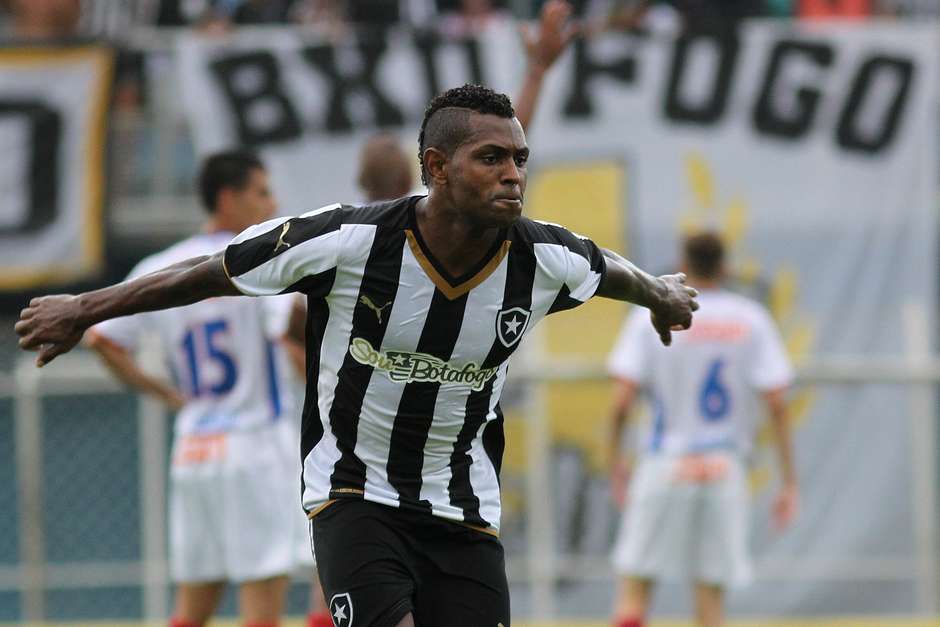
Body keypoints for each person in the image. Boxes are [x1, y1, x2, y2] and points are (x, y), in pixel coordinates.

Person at [16, 83, 698, 626]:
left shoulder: (543, 256)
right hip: (354, 492)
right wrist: (86, 307)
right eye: (491, 158)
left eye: (520, 158)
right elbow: (209, 270)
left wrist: (662, 295)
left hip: (463, 506)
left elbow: (615, 271)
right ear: (435, 167)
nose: (512, 174)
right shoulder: (348, 241)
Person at [83, 150, 322, 627]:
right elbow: (288, 339)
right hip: (255, 448)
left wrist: (172, 400)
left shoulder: (166, 264)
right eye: (262, 191)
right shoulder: (262, 262)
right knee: (261, 609)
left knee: (192, 611)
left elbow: (102, 338)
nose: (271, 201)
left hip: (195, 449)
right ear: (228, 198)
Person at [606, 232, 799, 627]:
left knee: (635, 590)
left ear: (684, 263)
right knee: (711, 598)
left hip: (665, 461)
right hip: (723, 463)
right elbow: (777, 402)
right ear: (726, 265)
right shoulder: (750, 318)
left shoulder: (650, 317)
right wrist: (789, 481)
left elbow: (621, 403)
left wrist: (616, 463)